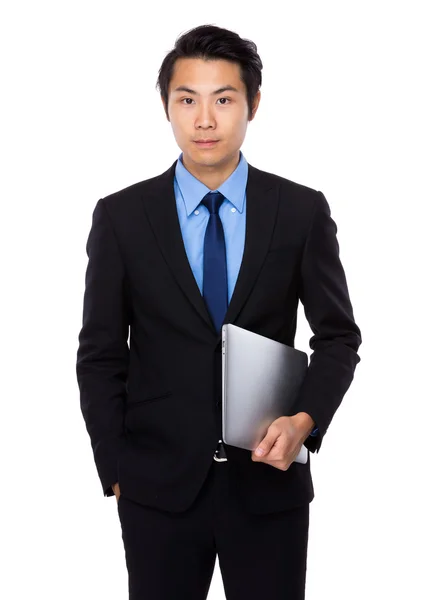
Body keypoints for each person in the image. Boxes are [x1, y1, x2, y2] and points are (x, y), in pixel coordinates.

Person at [76, 23, 362, 600]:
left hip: (268, 481)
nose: (205, 119)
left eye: (223, 99)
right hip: (157, 489)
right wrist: (116, 468)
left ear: (253, 103)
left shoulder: (300, 211)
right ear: (167, 106)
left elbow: (338, 338)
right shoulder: (122, 217)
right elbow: (100, 354)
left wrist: (304, 422)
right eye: (187, 99)